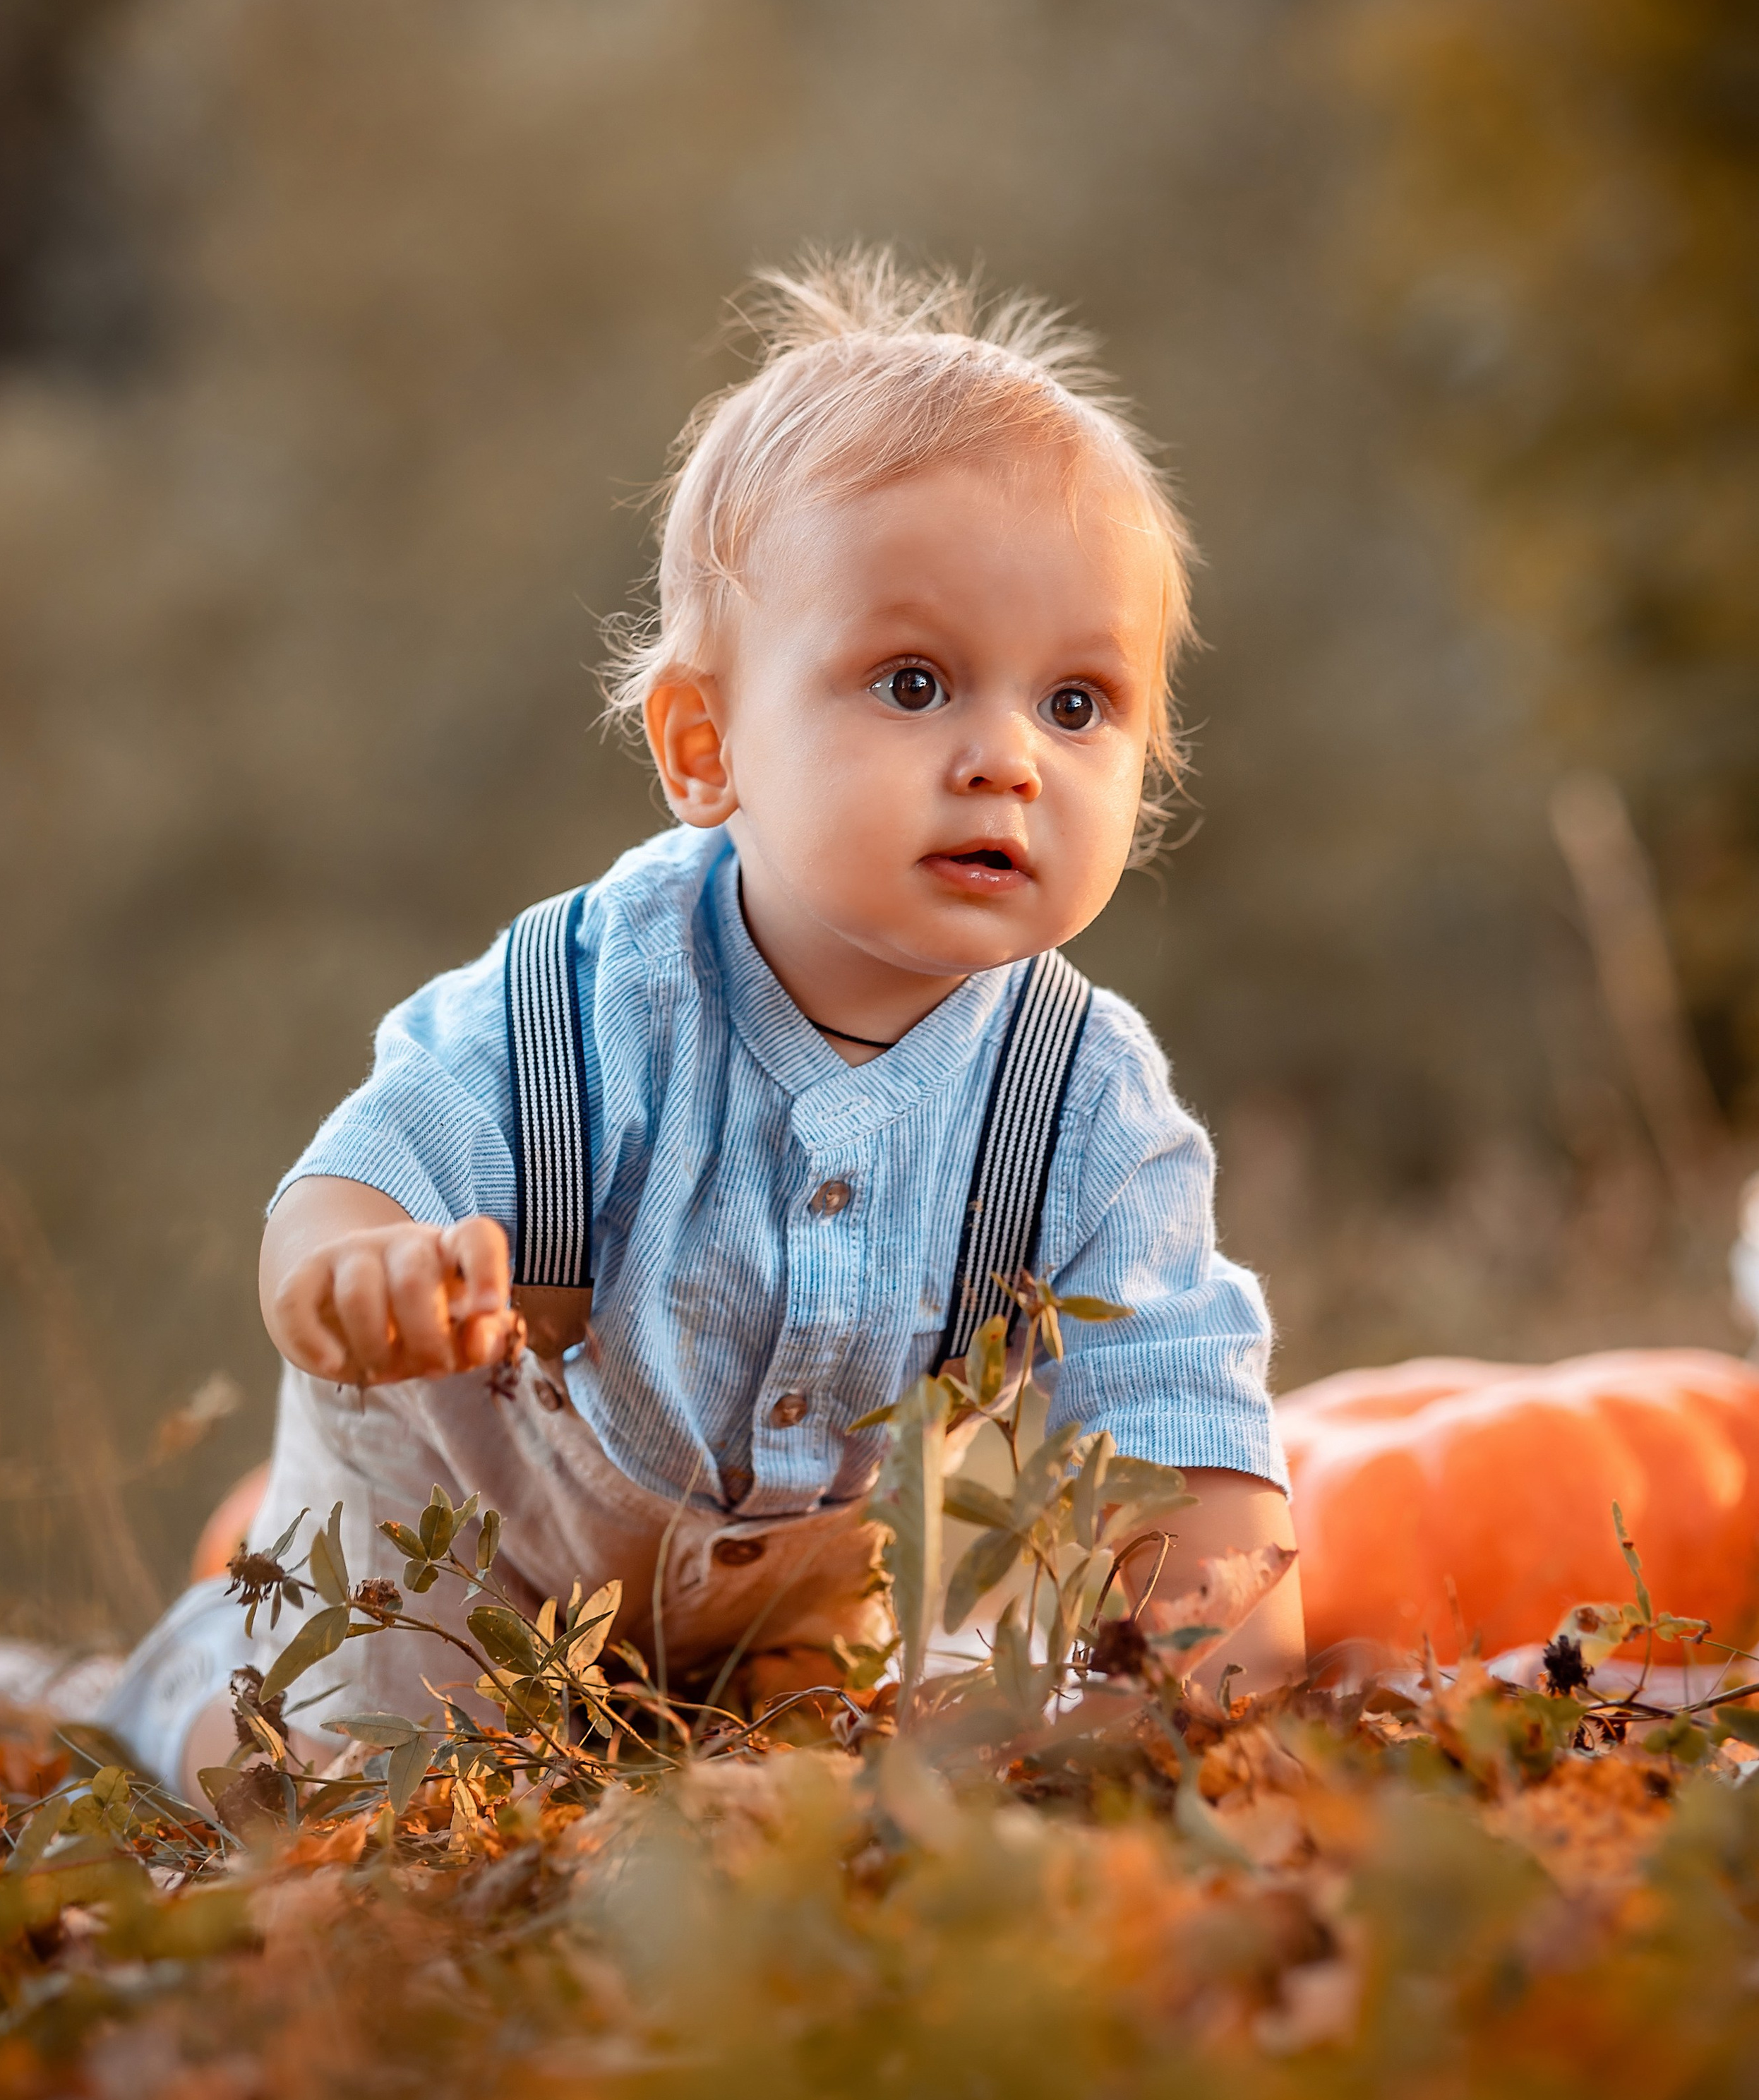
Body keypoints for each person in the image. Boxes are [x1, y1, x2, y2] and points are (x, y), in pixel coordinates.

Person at [103, 248, 1299, 1801]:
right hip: (469, 1530)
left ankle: (680, 1737)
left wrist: (1199, 1662)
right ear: (703, 742)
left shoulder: (1081, 1102)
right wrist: (350, 1274)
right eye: (915, 680)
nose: (1006, 755)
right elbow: (360, 1173)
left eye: (1076, 704)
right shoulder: (592, 1000)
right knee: (359, 1781)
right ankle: (181, 1693)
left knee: (860, 1763)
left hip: (790, 1586)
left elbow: (1176, 1405)